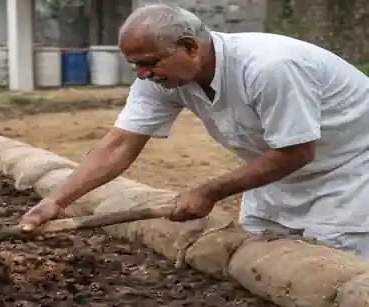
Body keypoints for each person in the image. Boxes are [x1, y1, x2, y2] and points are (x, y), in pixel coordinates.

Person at [19, 3, 369, 259]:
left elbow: (297, 151)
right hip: (277, 179)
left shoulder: (269, 67)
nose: (141, 73)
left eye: (147, 63)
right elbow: (120, 143)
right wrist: (56, 201)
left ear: (190, 47)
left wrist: (209, 191)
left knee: (333, 269)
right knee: (264, 260)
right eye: (134, 65)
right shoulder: (161, 77)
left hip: (350, 175)